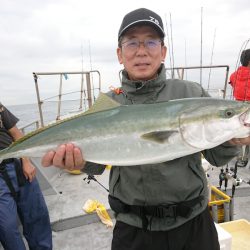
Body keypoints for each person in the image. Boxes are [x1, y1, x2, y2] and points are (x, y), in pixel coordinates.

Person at [42, 8, 250, 250]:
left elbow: (216, 157)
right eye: (132, 43)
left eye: (151, 42)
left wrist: (232, 141)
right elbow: (96, 164)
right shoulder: (109, 104)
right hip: (133, 229)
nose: (141, 51)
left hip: (193, 223)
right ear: (120, 54)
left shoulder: (191, 94)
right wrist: (77, 162)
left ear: (163, 51)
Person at [0, 103, 52, 250]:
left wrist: (26, 161)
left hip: (17, 164)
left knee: (37, 216)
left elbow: (17, 134)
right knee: (7, 228)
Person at [229, 49, 250, 167]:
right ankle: (246, 158)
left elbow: (232, 83)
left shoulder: (233, 75)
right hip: (248, 111)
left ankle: (240, 158)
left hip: (237, 109)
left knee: (239, 134)